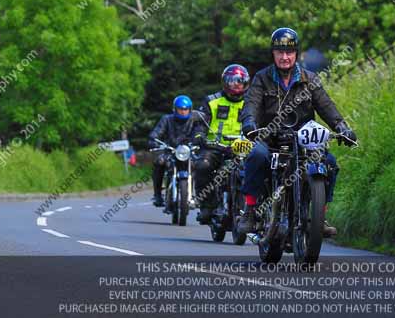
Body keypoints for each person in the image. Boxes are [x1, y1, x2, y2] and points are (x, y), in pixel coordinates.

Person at [236, 27, 357, 237]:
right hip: (270, 138)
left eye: (289, 52)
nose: (284, 57)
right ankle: (251, 210)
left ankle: (320, 215)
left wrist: (342, 128)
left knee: (328, 162)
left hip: (303, 141)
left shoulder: (310, 79)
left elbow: (327, 106)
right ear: (273, 53)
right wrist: (249, 123)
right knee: (256, 155)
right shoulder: (262, 78)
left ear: (296, 53)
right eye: (280, 52)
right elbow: (251, 104)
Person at [193, 64, 251, 223]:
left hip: (242, 148)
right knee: (202, 165)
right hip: (215, 147)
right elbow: (200, 121)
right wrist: (199, 136)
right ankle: (207, 206)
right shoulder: (212, 101)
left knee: (261, 167)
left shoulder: (252, 101)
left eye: (240, 81)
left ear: (246, 82)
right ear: (225, 82)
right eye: (232, 81)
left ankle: (258, 210)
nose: (236, 84)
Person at [149, 95, 207, 207]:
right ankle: (157, 194)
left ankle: (199, 196)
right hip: (170, 150)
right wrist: (154, 141)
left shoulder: (195, 120)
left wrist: (199, 140)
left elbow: (200, 133)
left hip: (190, 151)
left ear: (190, 109)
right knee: (159, 162)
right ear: (175, 109)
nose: (183, 111)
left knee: (202, 165)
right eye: (181, 109)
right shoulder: (167, 119)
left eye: (186, 109)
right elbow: (156, 133)